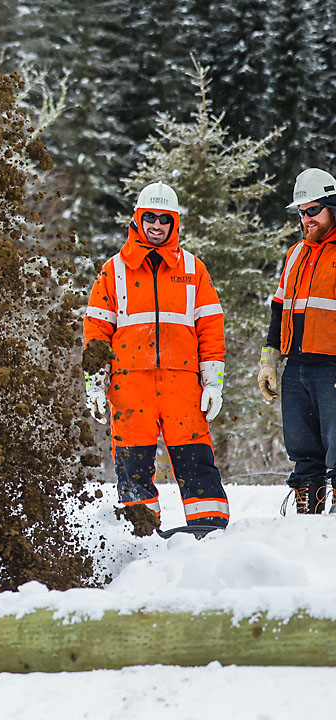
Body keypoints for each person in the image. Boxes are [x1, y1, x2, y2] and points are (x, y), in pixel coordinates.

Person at [84, 181, 230, 533]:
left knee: (195, 460)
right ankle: (142, 533)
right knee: (133, 465)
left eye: (164, 219)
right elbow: (96, 333)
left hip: (182, 384)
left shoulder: (194, 270)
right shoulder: (113, 270)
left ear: (174, 222)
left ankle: (208, 529)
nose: (156, 225)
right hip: (129, 385)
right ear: (137, 218)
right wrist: (93, 381)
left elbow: (211, 329)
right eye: (149, 217)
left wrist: (213, 382)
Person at [258, 168, 336, 515]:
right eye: (301, 212)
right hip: (297, 368)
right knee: (303, 451)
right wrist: (269, 361)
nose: (306, 219)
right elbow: (279, 313)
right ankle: (307, 511)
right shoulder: (295, 255)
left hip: (331, 366)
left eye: (313, 210)